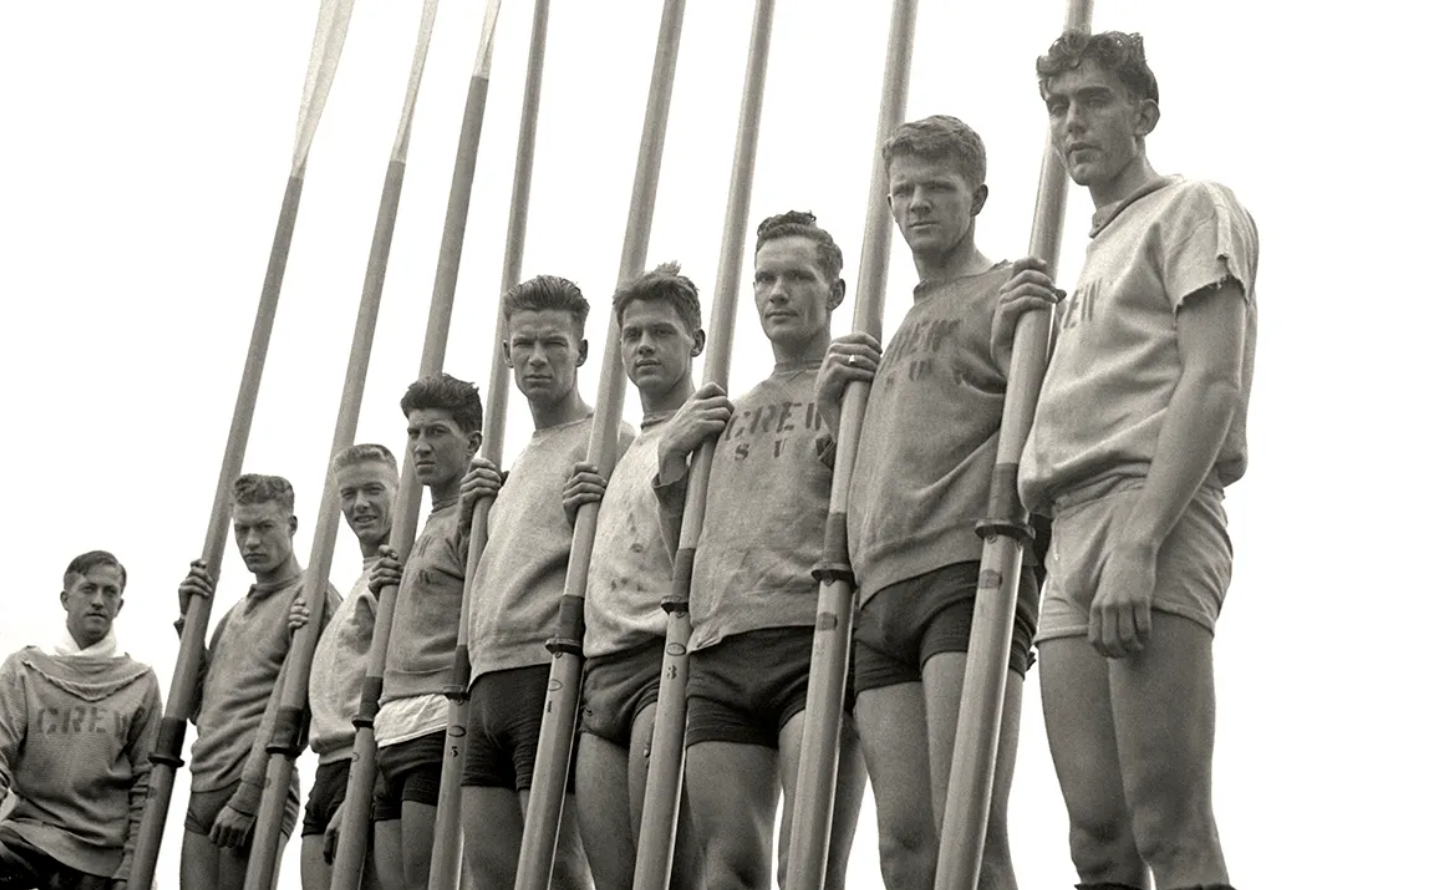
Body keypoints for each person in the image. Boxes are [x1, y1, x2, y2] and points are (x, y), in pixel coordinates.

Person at [1011, 31, 1258, 890]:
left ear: (1143, 111)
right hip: (1069, 527)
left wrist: (1143, 539)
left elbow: (1213, 382)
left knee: (1170, 826)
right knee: (1097, 842)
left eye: (1093, 101)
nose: (1072, 122)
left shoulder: (1191, 206)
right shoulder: (1083, 260)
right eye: (1057, 107)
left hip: (1147, 507)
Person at [815, 114, 1044, 890]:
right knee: (904, 852)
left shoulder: (1008, 290)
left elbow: (1048, 414)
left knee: (969, 836)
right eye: (902, 192)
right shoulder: (892, 327)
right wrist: (829, 408)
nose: (916, 205)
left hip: (963, 566)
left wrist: (1032, 341)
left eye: (936, 189)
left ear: (976, 196)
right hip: (879, 593)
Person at [656, 211, 867, 890]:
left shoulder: (860, 384)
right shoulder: (725, 412)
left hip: (815, 635)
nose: (777, 292)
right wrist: (669, 471)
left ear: (834, 291)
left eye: (797, 277)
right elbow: (683, 561)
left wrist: (843, 416)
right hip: (721, 647)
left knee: (807, 867)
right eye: (764, 278)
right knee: (727, 871)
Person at [458, 275, 614, 890]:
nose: (537, 357)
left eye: (554, 343)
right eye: (523, 344)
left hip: (547, 671)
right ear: (505, 354)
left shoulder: (606, 442)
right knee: (492, 875)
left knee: (557, 869)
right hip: (484, 680)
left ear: (581, 350)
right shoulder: (509, 466)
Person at [561, 263, 704, 890]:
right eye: (633, 334)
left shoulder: (705, 425)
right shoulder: (617, 452)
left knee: (669, 874)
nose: (644, 346)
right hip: (600, 669)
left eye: (662, 333)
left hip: (663, 656)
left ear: (695, 341)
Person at [177, 474, 339, 890]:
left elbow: (302, 709)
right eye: (241, 529)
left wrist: (248, 799)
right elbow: (201, 710)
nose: (250, 541)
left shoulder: (311, 597)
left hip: (256, 786)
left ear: (292, 526)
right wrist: (190, 627)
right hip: (204, 785)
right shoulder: (233, 614)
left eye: (264, 527)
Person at [365, 374, 482, 890]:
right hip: (390, 726)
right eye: (413, 434)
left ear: (472, 441)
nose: (421, 446)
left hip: (437, 720)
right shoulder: (423, 525)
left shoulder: (476, 514)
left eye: (436, 432)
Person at [0, 551, 161, 890]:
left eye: (110, 592)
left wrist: (131, 869)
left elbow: (148, 785)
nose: (99, 601)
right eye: (88, 589)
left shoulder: (139, 683)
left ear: (119, 606)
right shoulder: (24, 670)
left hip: (101, 854)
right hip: (29, 838)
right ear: (65, 598)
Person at [288, 444, 398, 890]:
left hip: (366, 760)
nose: (360, 504)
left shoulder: (394, 572)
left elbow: (393, 686)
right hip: (327, 765)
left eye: (373, 489)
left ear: (400, 488)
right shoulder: (359, 579)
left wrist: (360, 788)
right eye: (349, 494)